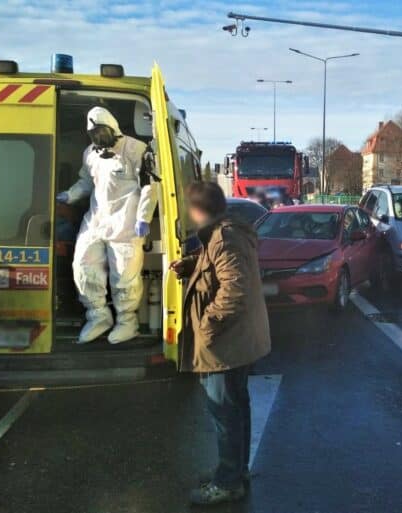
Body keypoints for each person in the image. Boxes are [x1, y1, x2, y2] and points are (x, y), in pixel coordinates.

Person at [169, 181, 271, 506]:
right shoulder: (223, 233)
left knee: (224, 412)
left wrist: (207, 325)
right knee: (236, 408)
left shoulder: (225, 237)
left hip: (225, 344)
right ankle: (234, 472)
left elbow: (234, 289)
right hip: (235, 341)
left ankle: (227, 482)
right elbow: (218, 268)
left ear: (200, 209)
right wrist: (191, 266)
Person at [57, 107, 157, 344]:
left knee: (124, 275)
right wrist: (70, 195)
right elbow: (86, 181)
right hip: (96, 219)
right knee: (83, 266)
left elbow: (150, 185)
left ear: (112, 128)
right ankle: (98, 316)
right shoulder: (90, 153)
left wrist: (143, 217)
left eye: (102, 132)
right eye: (93, 134)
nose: (98, 138)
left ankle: (126, 322)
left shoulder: (136, 149)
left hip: (126, 222)